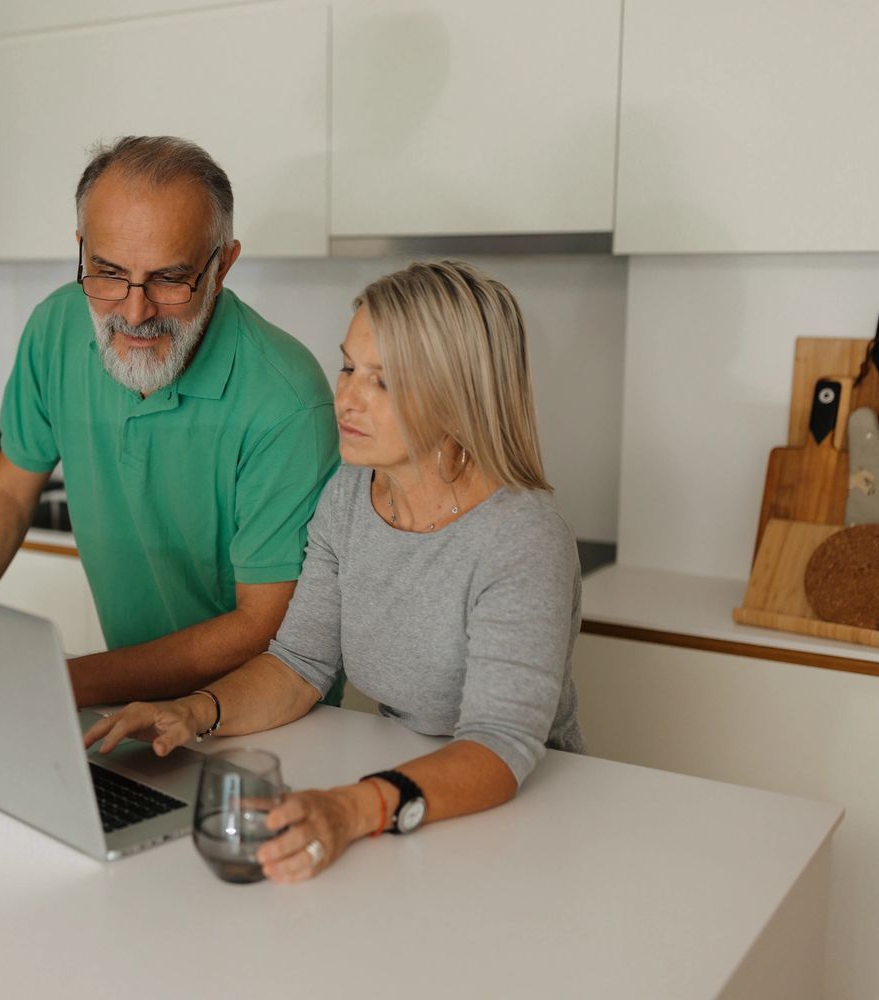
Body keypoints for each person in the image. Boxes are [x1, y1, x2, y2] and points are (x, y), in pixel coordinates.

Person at [84, 260, 584, 883]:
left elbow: (498, 746)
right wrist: (193, 712)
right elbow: (300, 664)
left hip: (521, 813)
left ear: (460, 397)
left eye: (385, 381)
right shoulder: (350, 494)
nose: (345, 397)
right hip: (406, 799)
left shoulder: (521, 537)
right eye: (349, 366)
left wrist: (350, 809)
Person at [0, 136, 340, 706]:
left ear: (222, 267)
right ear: (81, 252)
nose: (134, 312)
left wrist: (57, 683)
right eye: (108, 273)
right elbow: (10, 489)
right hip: (130, 704)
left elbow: (261, 624)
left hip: (257, 715)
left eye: (170, 279)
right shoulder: (56, 327)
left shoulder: (286, 401)